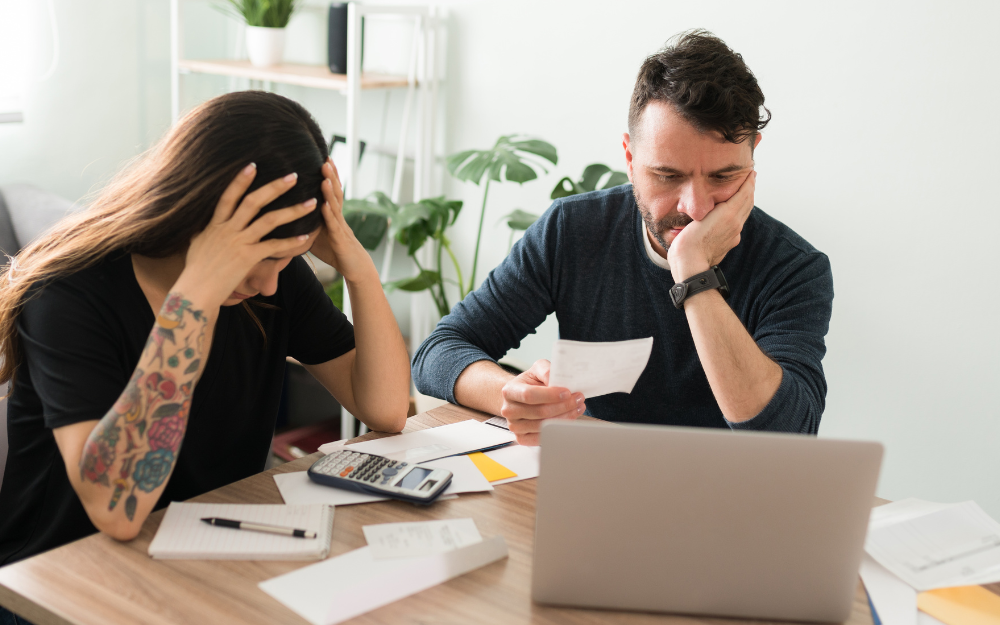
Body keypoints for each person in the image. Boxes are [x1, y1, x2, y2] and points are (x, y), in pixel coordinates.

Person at [0, 92, 410, 573]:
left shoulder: (271, 284)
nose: (268, 283)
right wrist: (195, 296)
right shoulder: (67, 294)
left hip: (204, 557)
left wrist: (358, 268)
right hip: (58, 578)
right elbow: (117, 510)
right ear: (194, 215)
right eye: (258, 258)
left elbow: (385, 410)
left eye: (284, 259)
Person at [412, 30, 834, 446]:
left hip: (724, 494)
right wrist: (512, 396)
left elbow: (787, 432)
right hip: (597, 475)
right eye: (668, 176)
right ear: (630, 159)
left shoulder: (793, 267)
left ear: (753, 155)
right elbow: (439, 351)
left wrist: (694, 273)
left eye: (724, 176)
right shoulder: (573, 229)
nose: (696, 207)